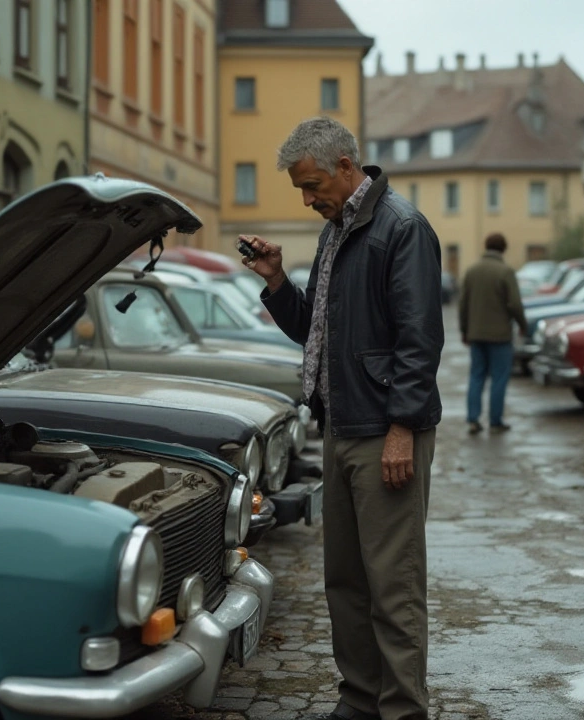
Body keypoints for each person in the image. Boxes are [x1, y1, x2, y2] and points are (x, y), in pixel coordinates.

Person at [239, 116, 443, 720]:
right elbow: (318, 333)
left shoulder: (400, 228)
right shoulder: (337, 230)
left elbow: (419, 339)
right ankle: (358, 701)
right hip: (342, 426)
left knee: (393, 587)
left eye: (311, 185)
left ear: (346, 168)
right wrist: (277, 281)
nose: (306, 199)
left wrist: (403, 428)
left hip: (387, 433)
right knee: (346, 584)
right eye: (300, 189)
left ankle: (402, 709)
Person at [458, 232, 527, 434]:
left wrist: (465, 330)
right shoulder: (505, 272)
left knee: (476, 376)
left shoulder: (472, 271)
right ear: (503, 249)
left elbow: (463, 305)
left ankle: (473, 419)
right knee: (499, 378)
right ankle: (495, 421)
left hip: (476, 334)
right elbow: (514, 303)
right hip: (500, 336)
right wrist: (522, 323)